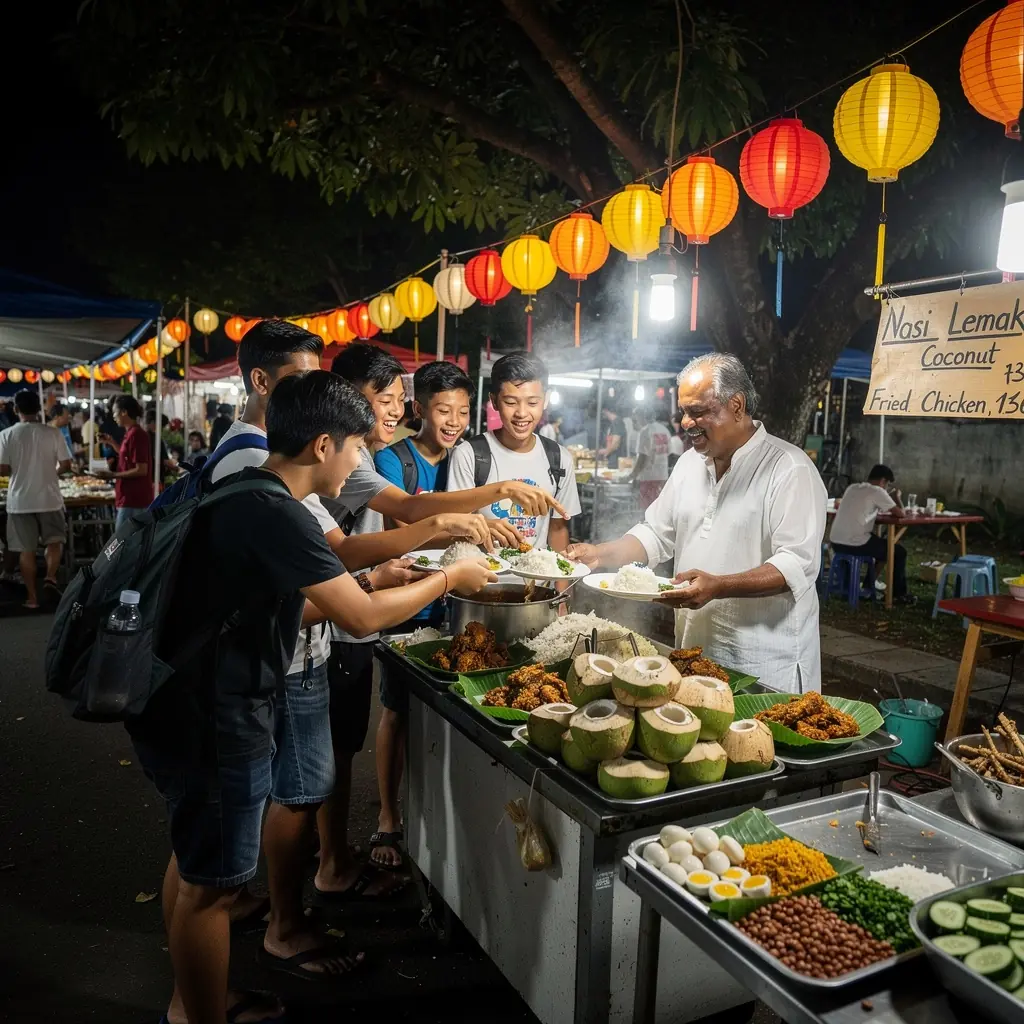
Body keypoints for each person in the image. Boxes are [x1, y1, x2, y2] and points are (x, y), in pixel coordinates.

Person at [129, 368, 496, 1024]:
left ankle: (194, 1000)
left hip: (179, 700)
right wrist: (449, 580)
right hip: (213, 711)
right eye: (356, 447)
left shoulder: (248, 487)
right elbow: (358, 619)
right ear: (323, 446)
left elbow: (287, 609)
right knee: (211, 890)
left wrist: (373, 576)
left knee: (193, 867)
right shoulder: (280, 512)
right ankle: (198, 1014)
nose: (361, 460)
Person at [316, 346, 560, 896]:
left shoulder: (360, 462)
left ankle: (335, 850)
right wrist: (447, 542)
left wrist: (472, 516)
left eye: (400, 401)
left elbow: (396, 525)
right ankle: (334, 857)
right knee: (342, 741)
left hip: (407, 603)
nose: (397, 413)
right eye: (390, 401)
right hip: (355, 617)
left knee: (342, 742)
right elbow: (385, 532)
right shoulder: (367, 463)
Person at [566, 353, 826, 693]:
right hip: (695, 655)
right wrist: (600, 554)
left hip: (764, 665)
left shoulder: (789, 469)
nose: (686, 423)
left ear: (736, 406)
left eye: (698, 411)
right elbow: (655, 533)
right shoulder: (690, 464)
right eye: (684, 412)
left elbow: (796, 565)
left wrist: (718, 586)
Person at [370, 361, 473, 870]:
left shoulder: (469, 461)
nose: (453, 421)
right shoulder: (394, 461)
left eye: (462, 411)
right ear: (420, 410)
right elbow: (404, 530)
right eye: (442, 410)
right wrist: (468, 528)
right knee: (396, 709)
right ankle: (389, 817)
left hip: (457, 606)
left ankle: (435, 812)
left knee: (448, 712)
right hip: (407, 602)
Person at [447, 352, 581, 553]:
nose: (522, 413)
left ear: (545, 400)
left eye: (533, 402)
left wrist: (559, 585)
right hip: (479, 580)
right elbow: (454, 527)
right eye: (510, 402)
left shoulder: (559, 458)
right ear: (494, 401)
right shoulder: (469, 455)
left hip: (536, 582)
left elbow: (558, 529)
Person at [0, 389, 71, 608]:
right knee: (54, 541)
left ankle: (32, 598)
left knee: (26, 549)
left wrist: (19, 470)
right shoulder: (52, 433)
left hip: (20, 501)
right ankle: (50, 577)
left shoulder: (6, 435)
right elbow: (66, 464)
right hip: (49, 498)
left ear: (16, 409)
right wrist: (49, 474)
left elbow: (2, 469)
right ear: (39, 409)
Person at [830, 464, 912, 604]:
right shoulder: (878, 491)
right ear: (883, 481)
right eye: (887, 484)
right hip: (855, 543)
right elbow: (901, 514)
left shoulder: (852, 487)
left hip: (836, 541)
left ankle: (867, 587)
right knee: (897, 552)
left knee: (884, 548)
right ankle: (898, 594)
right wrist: (897, 497)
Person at [96, 395, 153, 528]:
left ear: (124, 412)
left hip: (135, 499)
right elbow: (125, 455)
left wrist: (112, 475)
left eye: (115, 412)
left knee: (122, 541)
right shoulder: (130, 433)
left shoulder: (137, 435)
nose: (114, 416)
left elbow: (141, 470)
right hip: (127, 496)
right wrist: (111, 442)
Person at [629, 405, 672, 507]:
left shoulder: (645, 431)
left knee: (647, 510)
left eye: (636, 418)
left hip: (648, 477)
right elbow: (668, 452)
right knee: (660, 508)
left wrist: (632, 476)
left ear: (642, 416)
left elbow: (642, 457)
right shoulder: (664, 430)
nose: (636, 422)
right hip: (662, 476)